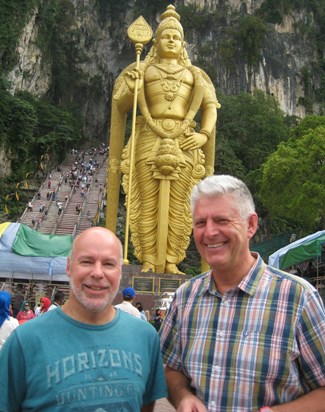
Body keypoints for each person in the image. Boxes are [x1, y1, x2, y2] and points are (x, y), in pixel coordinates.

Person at [159, 174, 325, 411]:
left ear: (251, 225)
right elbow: (170, 368)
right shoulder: (186, 297)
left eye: (221, 220)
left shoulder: (298, 298)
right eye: (200, 223)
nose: (209, 232)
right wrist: (183, 396)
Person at [0, 227, 167, 411]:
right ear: (69, 267)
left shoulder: (145, 338)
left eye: (109, 264)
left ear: (120, 272)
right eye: (86, 261)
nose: (97, 273)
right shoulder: (24, 342)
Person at [107, 4, 220, 274]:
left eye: (176, 37)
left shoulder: (195, 76)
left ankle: (171, 260)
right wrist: (133, 86)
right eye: (166, 36)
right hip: (148, 136)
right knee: (146, 202)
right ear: (155, 42)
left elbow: (211, 107)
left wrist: (203, 134)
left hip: (184, 142)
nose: (171, 40)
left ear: (183, 44)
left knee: (180, 205)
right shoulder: (141, 70)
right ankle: (147, 258)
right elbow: (121, 105)